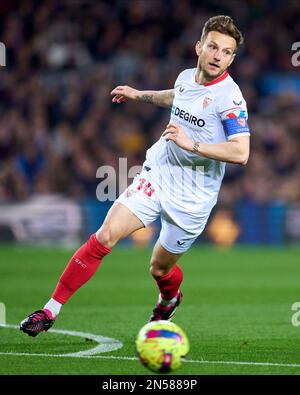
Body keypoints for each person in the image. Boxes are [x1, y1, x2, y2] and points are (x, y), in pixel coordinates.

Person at [20, 15, 250, 337]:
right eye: (213, 47)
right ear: (199, 47)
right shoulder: (187, 77)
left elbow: (241, 153)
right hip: (160, 173)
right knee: (105, 235)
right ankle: (50, 309)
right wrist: (137, 94)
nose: (217, 56)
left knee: (159, 268)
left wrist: (190, 143)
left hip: (194, 195)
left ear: (232, 58)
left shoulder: (230, 98)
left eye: (226, 52)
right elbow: (175, 96)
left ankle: (169, 300)